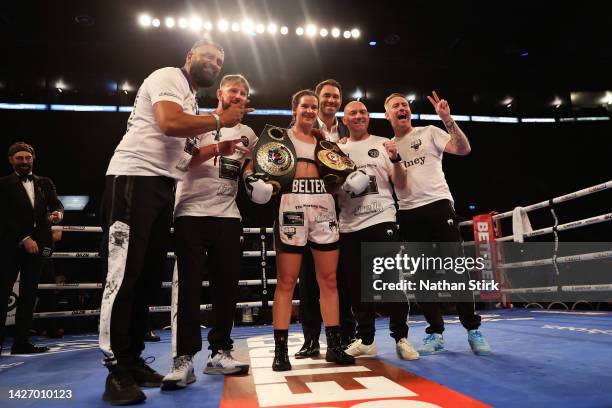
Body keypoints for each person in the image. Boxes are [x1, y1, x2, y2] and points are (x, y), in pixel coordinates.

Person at [99, 38, 250, 405]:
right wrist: (219, 121)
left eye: (218, 59)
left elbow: (183, 161)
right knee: (123, 274)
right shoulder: (168, 77)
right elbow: (167, 123)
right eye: (208, 56)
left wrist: (218, 146)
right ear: (189, 57)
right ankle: (116, 368)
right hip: (133, 177)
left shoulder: (192, 100)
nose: (212, 63)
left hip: (163, 187)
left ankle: (133, 359)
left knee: (148, 277)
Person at [244, 90, 355, 371]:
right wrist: (253, 182)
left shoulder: (326, 142)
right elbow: (251, 166)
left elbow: (342, 175)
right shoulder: (278, 138)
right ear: (294, 109)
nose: (309, 111)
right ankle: (280, 351)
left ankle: (335, 345)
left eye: (313, 107)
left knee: (328, 280)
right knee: (286, 281)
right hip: (292, 204)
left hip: (323, 207)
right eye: (305, 106)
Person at [161, 74, 256, 390]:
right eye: (233, 90)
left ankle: (220, 352)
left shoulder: (248, 133)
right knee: (187, 289)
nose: (238, 95)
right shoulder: (198, 122)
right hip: (191, 213)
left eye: (243, 92)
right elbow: (181, 162)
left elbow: (251, 165)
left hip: (228, 217)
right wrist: (219, 146)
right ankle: (183, 359)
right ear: (220, 93)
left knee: (226, 289)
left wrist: (256, 181)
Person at [384, 91, 491, 356]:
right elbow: (399, 183)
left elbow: (464, 149)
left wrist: (447, 119)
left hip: (439, 204)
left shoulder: (429, 131)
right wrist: (394, 158)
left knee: (456, 269)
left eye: (405, 105)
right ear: (388, 115)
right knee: (421, 276)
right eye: (396, 106)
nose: (402, 108)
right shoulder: (387, 147)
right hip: (408, 211)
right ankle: (435, 332)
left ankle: (472, 329)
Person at [336, 101, 419, 360]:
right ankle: (366, 339)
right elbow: (331, 187)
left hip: (381, 219)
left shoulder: (384, 144)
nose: (359, 116)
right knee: (357, 287)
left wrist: (395, 158)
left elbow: (402, 184)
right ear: (345, 119)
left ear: (368, 117)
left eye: (363, 112)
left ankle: (401, 338)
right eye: (353, 113)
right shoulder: (336, 149)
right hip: (349, 224)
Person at [295, 79, 354, 359]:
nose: (330, 101)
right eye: (326, 96)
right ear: (317, 99)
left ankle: (344, 336)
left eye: (335, 97)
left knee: (339, 277)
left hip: (341, 209)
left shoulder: (347, 130)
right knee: (308, 277)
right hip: (307, 207)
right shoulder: (304, 124)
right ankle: (310, 339)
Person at [0, 142, 64, 355]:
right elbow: (4, 216)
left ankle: (21, 343)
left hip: (39, 247)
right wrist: (24, 238)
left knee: (29, 295)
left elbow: (56, 204)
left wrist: (58, 214)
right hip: (10, 247)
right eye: (19, 158)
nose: (24, 162)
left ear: (33, 159)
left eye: (27, 158)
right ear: (11, 160)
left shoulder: (44, 183)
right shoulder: (3, 184)